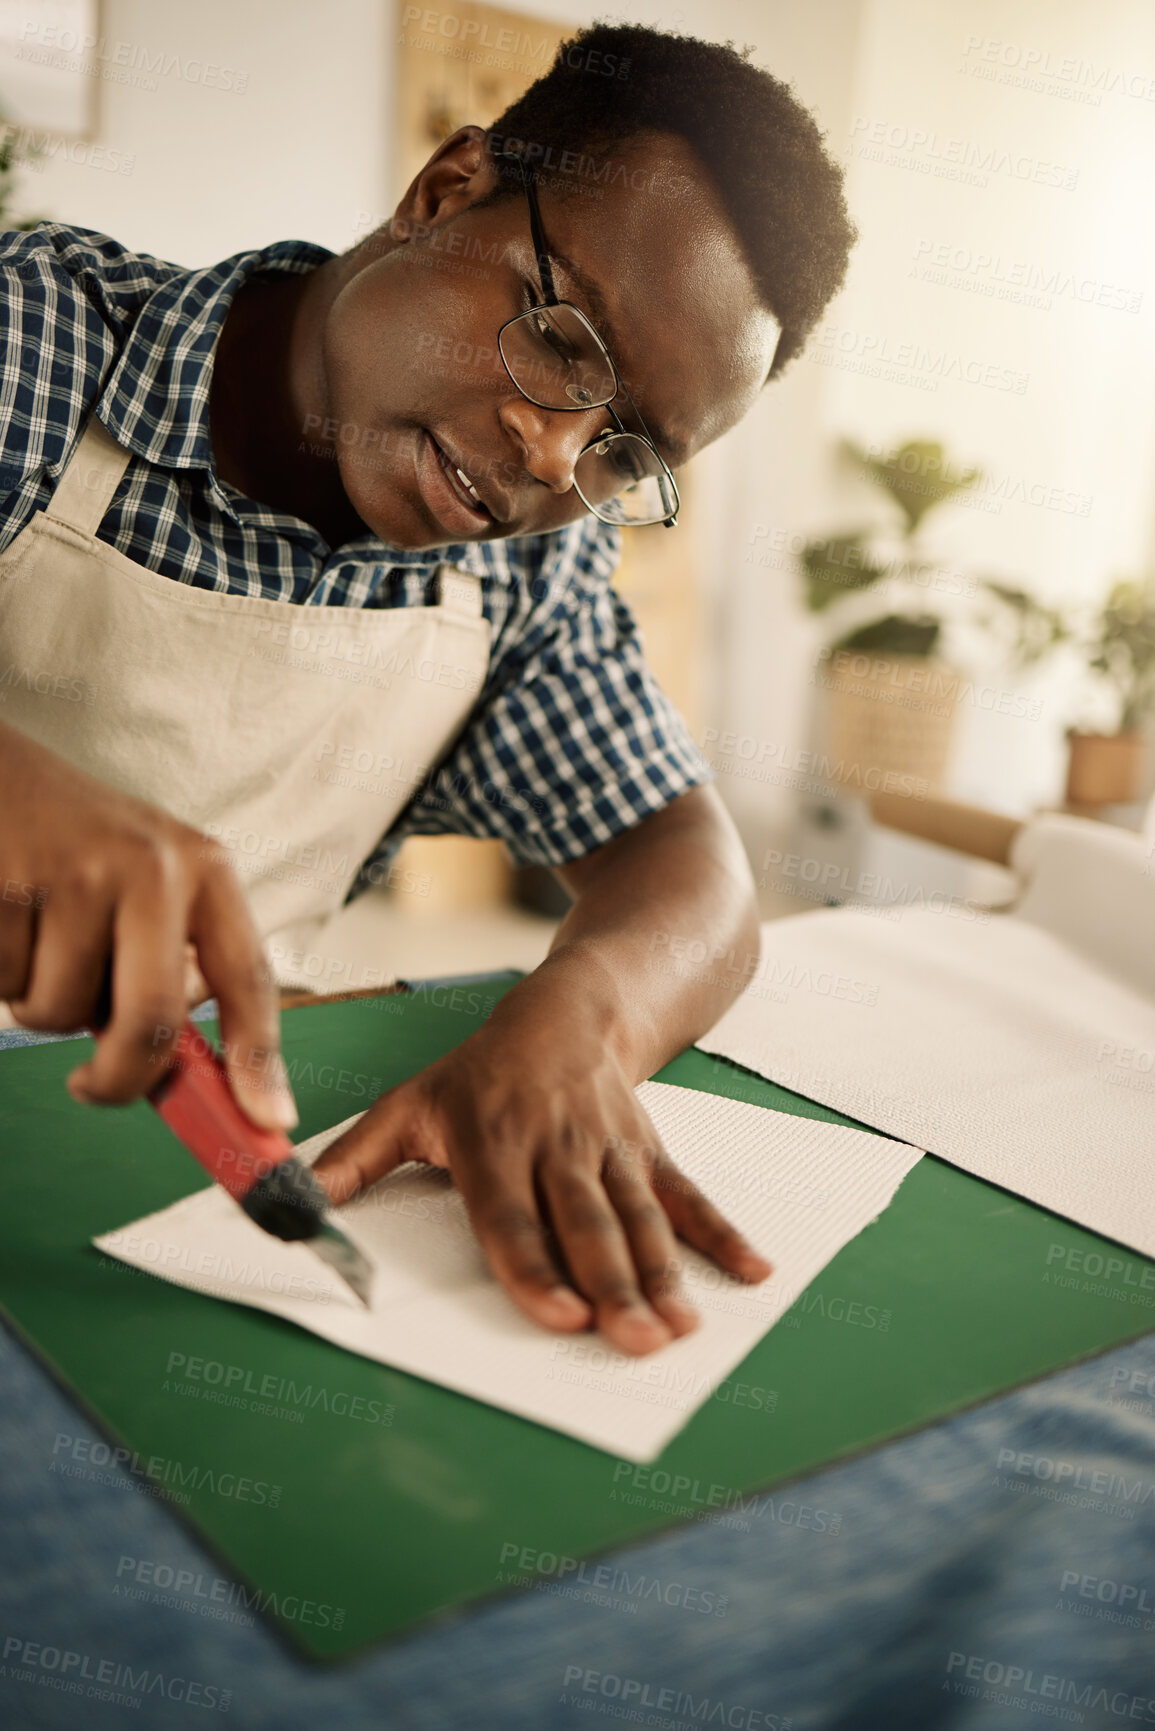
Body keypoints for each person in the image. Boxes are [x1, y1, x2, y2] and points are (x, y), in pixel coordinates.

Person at [0, 23, 855, 1355]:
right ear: (445, 193)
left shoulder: (522, 581)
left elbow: (697, 877)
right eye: (563, 338)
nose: (551, 451)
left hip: (153, 1184)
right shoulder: (32, 344)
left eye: (627, 448)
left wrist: (585, 1021)